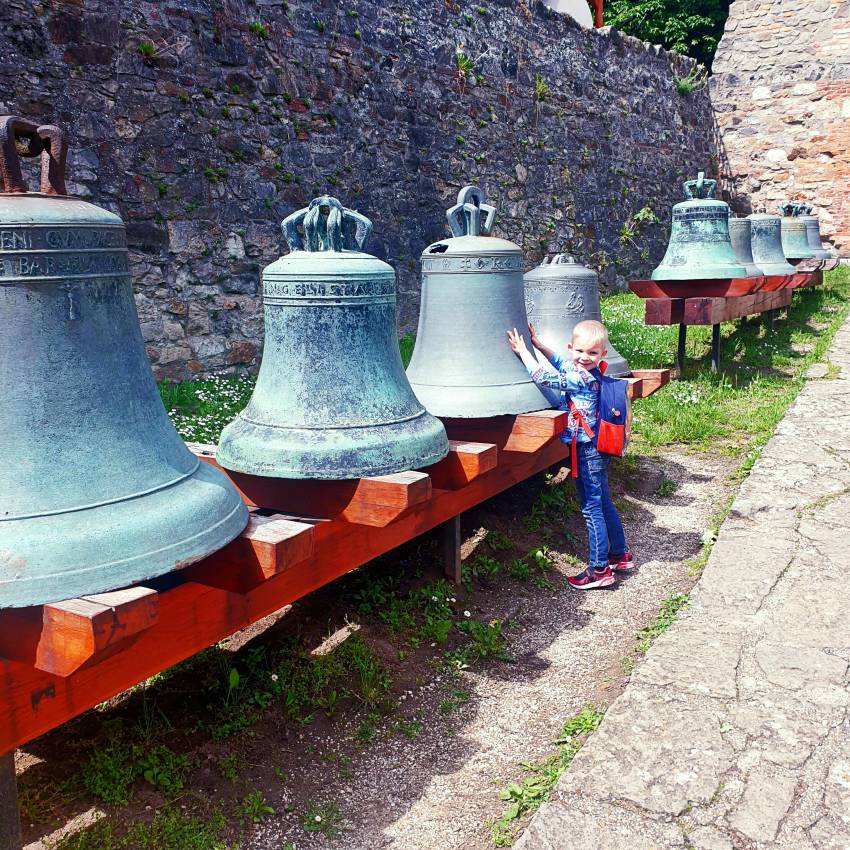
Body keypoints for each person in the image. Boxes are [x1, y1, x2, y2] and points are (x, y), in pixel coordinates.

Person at [506, 319, 633, 589]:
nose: (584, 357)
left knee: (591, 508)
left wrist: (523, 351)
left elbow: (545, 377)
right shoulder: (590, 372)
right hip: (596, 448)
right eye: (580, 351)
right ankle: (619, 554)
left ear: (603, 355)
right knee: (603, 501)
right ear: (570, 347)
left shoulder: (582, 377)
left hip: (587, 450)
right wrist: (540, 345)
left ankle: (599, 570)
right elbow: (564, 365)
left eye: (592, 353)